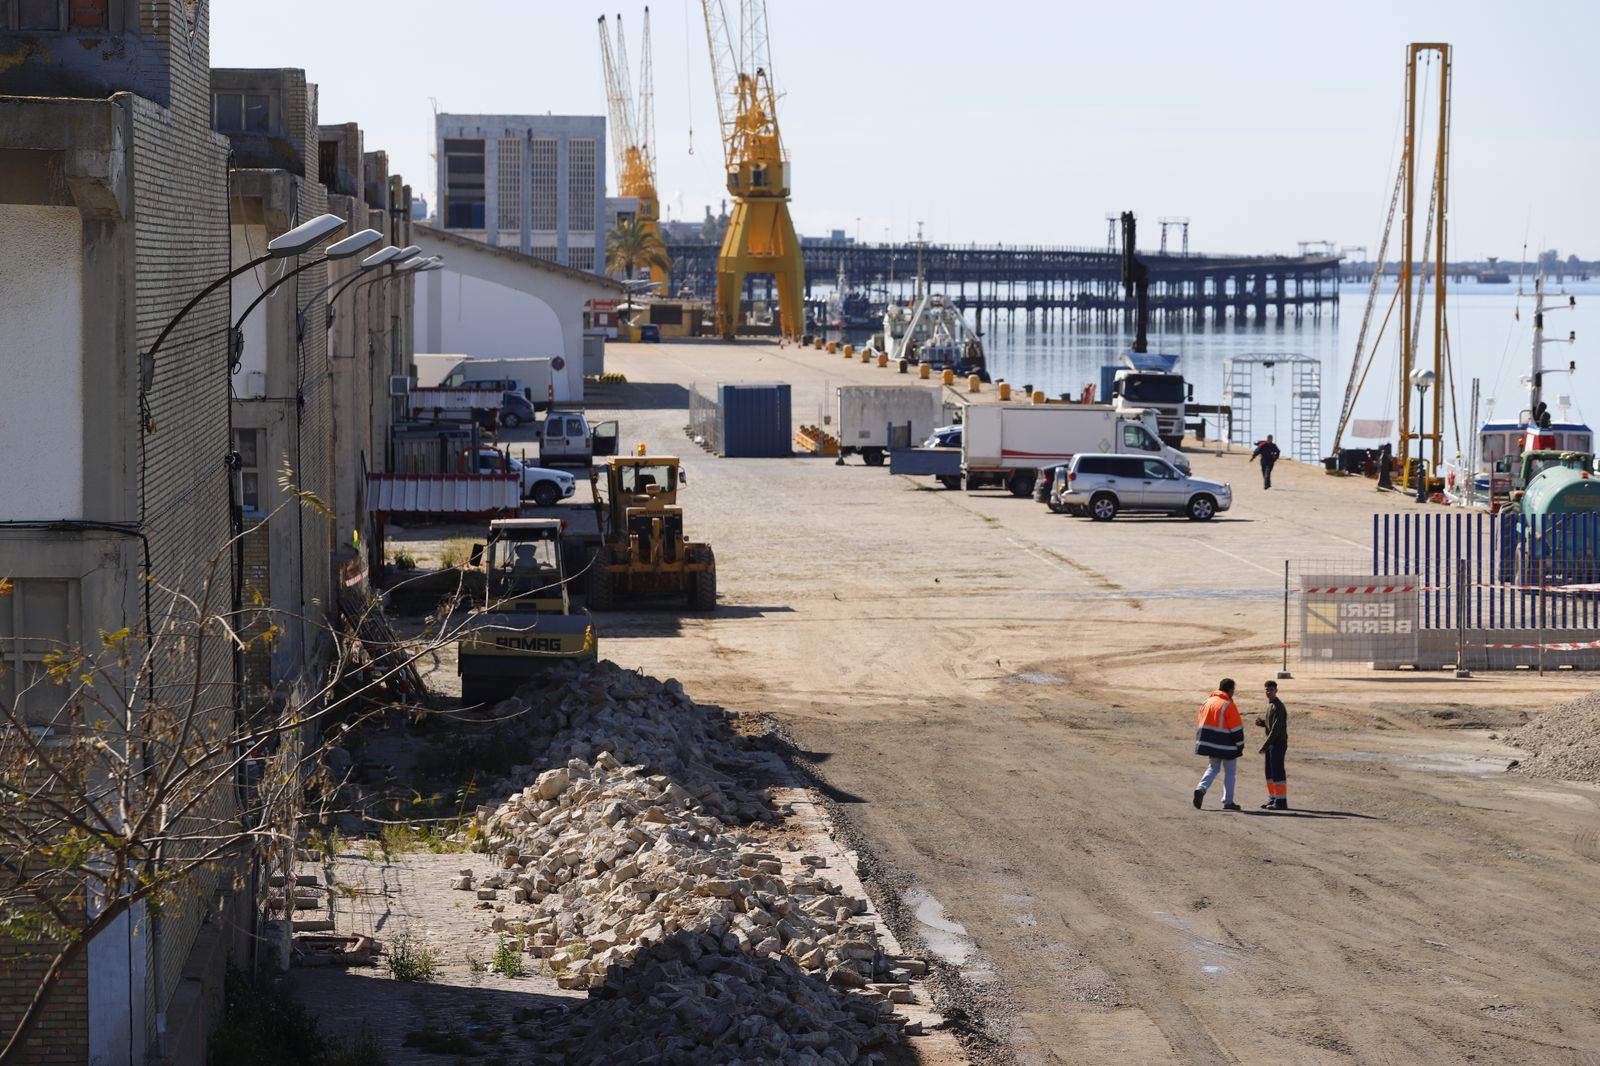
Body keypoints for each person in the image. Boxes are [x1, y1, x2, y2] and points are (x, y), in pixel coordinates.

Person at [1193, 678, 1245, 811]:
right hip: (1226, 745)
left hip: (1210, 744)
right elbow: (1236, 728)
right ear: (1230, 690)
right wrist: (1240, 745)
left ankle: (1201, 788)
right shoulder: (1228, 705)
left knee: (1213, 768)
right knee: (1230, 772)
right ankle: (1228, 801)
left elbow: (1200, 721)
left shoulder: (1207, 702)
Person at [1255, 680, 1289, 810]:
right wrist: (1263, 723)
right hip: (1272, 744)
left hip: (1278, 744)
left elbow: (1276, 729)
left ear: (1276, 690)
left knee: (1277, 772)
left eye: (1271, 690)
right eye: (1266, 690)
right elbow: (1272, 724)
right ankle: (1273, 798)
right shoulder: (1271, 705)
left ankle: (1281, 802)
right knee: (1269, 772)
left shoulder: (1278, 706)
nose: (1268, 692)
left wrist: (1265, 745)